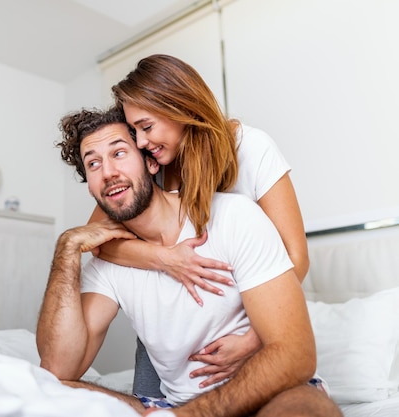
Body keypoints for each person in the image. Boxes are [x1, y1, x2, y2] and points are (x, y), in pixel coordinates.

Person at [37, 107, 342, 417]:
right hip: (172, 406)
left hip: (266, 394)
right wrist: (67, 249)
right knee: (51, 391)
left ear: (151, 161)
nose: (108, 172)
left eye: (119, 153)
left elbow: (296, 356)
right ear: (89, 185)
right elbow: (57, 368)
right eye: (93, 163)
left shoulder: (233, 217)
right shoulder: (109, 262)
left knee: (307, 410)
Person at [88, 54, 309, 395]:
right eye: (134, 131)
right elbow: (96, 240)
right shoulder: (153, 163)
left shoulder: (251, 148)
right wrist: (167, 259)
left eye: (146, 127)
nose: (141, 142)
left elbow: (296, 255)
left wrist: (253, 338)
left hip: (248, 322)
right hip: (173, 337)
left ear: (182, 108)